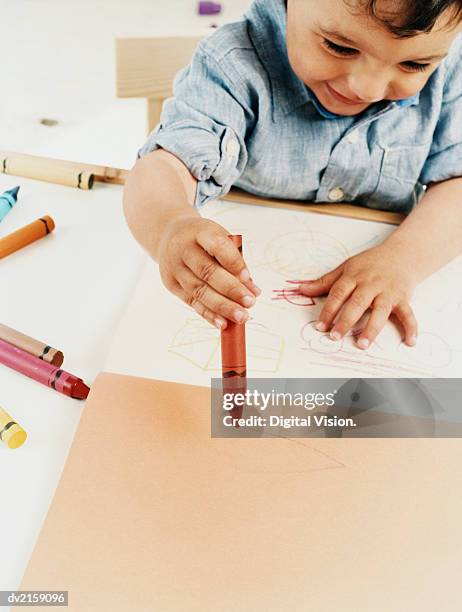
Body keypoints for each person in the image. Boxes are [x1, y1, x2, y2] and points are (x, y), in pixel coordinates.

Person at [124, 0, 462, 349]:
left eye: (413, 64)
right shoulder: (233, 63)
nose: (368, 89)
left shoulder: (452, 69)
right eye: (340, 47)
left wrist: (403, 260)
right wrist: (168, 226)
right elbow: (165, 165)